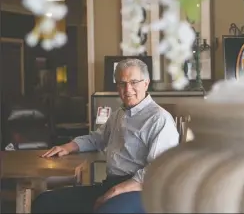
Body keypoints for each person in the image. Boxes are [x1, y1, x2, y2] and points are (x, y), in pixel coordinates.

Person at [32, 58, 180, 213]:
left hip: (141, 191)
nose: (128, 89)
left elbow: (157, 171)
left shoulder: (159, 119)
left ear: (146, 83)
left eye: (134, 82)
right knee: (45, 202)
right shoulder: (118, 114)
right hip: (111, 184)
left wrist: (115, 192)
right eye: (122, 83)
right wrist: (68, 147)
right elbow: (97, 138)